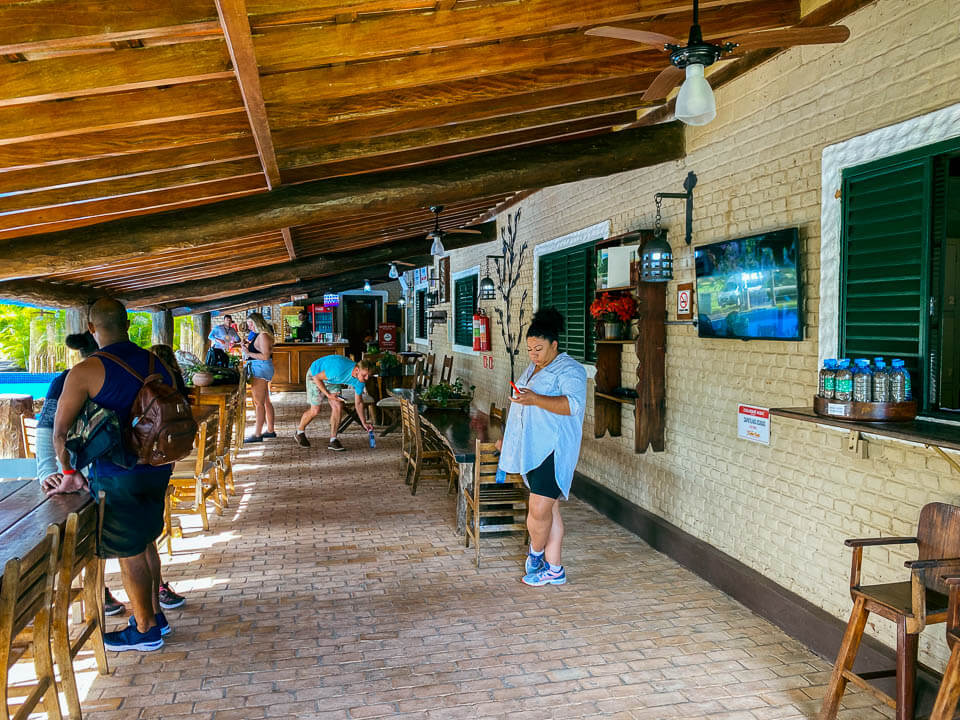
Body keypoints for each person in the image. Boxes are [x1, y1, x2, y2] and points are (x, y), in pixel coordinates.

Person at [44, 298, 187, 651]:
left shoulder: (86, 372)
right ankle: (156, 615)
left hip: (116, 474)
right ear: (127, 323)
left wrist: (68, 472)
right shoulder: (158, 362)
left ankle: (144, 629)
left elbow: (59, 433)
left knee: (129, 551)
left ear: (91, 328)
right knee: (145, 541)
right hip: (158, 467)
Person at [496, 308, 587, 587]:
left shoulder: (571, 369)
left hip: (553, 449)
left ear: (554, 344)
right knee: (550, 510)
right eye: (530, 349)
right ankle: (555, 568)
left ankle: (536, 555)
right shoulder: (534, 367)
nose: (533, 354)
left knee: (538, 510)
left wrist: (535, 399)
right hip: (533, 446)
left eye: (539, 348)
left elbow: (572, 405)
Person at [295, 355, 375, 450]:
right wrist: (328, 395)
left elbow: (359, 403)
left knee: (338, 405)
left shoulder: (360, 381)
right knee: (315, 410)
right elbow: (316, 378)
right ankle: (299, 431)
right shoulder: (339, 369)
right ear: (357, 370)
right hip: (316, 374)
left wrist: (364, 422)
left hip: (333, 380)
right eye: (364, 375)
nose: (366, 378)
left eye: (368, 376)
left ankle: (333, 440)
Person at [242, 312, 276, 442]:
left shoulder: (262, 336)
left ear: (257, 322)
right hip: (260, 368)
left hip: (260, 369)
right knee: (266, 400)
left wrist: (249, 352)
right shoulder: (259, 335)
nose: (249, 325)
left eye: (251, 323)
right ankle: (270, 430)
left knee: (258, 403)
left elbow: (266, 356)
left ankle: (257, 434)